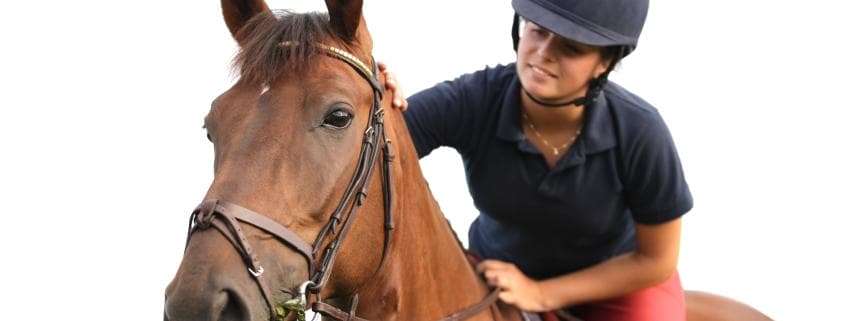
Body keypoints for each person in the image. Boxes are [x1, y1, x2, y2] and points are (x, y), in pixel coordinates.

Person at [384, 0, 692, 320]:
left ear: (605, 63)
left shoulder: (641, 131)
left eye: (571, 48)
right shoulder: (472, 99)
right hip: (499, 272)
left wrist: (541, 294)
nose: (543, 52)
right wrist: (372, 96)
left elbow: (657, 260)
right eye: (538, 31)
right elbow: (378, 147)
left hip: (617, 283)